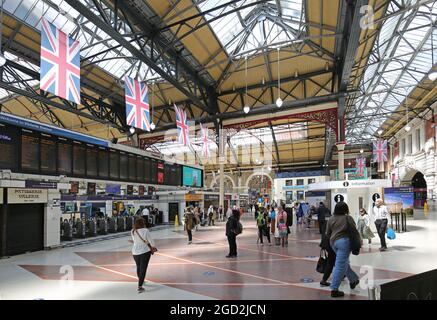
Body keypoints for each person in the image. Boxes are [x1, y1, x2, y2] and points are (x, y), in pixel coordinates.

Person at [326, 201, 360, 298]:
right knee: (340, 266)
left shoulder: (331, 218)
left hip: (333, 243)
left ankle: (353, 280)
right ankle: (334, 289)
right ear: (346, 209)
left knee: (343, 263)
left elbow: (327, 233)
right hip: (344, 243)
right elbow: (354, 231)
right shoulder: (348, 218)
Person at [131, 217, 157, 293]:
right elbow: (151, 242)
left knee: (138, 267)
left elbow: (134, 240)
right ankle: (140, 286)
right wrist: (153, 247)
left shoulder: (133, 231)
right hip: (145, 251)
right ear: (143, 223)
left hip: (135, 251)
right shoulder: (145, 230)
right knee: (143, 268)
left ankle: (141, 281)